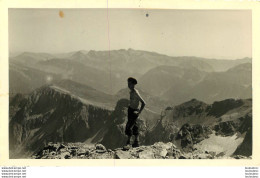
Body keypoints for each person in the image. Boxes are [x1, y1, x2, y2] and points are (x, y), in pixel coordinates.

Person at [125, 77, 146, 148]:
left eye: (130, 84)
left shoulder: (136, 93)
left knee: (129, 126)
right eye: (128, 83)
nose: (128, 85)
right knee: (134, 126)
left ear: (133, 84)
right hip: (130, 110)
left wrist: (139, 112)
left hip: (134, 111)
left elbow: (143, 103)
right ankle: (136, 142)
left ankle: (128, 143)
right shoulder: (131, 92)